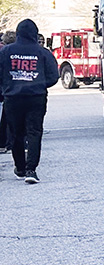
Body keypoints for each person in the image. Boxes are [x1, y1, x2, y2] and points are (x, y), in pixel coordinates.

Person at [0, 19, 59, 183]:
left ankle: (20, 167)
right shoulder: (43, 52)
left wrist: (6, 87)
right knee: (34, 132)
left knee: (16, 134)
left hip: (13, 97)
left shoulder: (6, 52)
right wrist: (39, 84)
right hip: (36, 97)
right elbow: (54, 75)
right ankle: (31, 170)